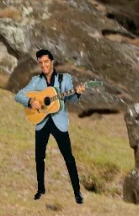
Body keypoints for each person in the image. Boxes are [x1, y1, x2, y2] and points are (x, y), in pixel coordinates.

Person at [13, 49, 87, 203]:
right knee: (39, 157)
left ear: (52, 62)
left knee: (69, 158)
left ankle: (77, 192)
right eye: (41, 63)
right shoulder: (36, 81)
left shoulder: (64, 79)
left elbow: (72, 100)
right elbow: (18, 95)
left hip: (59, 123)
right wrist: (30, 101)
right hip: (41, 122)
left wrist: (78, 93)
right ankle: (40, 189)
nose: (44, 65)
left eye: (46, 62)